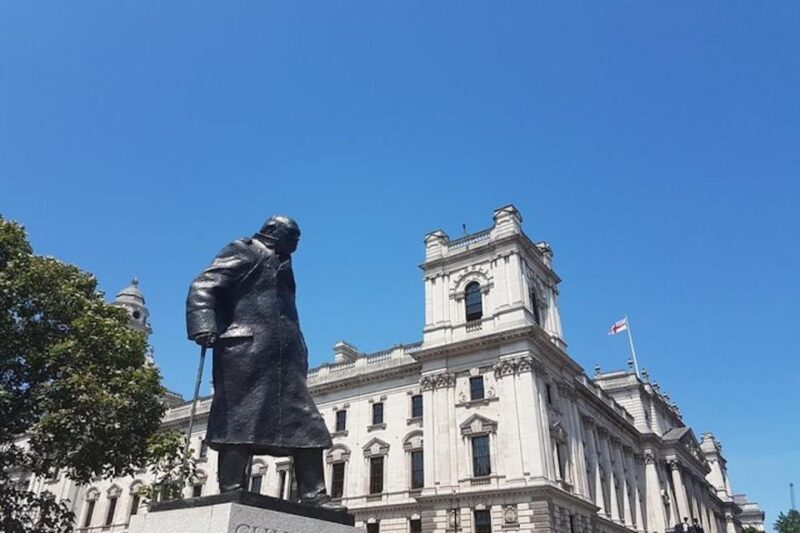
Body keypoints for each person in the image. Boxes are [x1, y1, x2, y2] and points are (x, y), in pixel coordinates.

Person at [186, 215, 343, 510]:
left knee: (308, 423)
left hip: (284, 358)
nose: (297, 242)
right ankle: (231, 489)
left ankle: (314, 495)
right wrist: (203, 324)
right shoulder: (244, 249)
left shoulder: (283, 260)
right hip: (245, 352)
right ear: (272, 231)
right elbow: (202, 286)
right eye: (292, 235)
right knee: (238, 420)